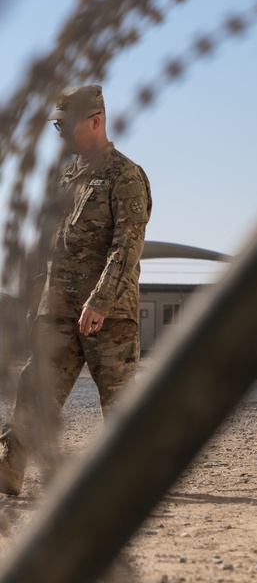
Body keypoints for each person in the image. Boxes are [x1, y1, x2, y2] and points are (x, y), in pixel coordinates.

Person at [0, 84, 152, 496]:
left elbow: (127, 246)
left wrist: (100, 301)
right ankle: (9, 467)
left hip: (109, 315)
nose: (59, 134)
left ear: (95, 121)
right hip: (58, 309)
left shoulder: (127, 176)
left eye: (64, 125)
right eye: (56, 126)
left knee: (118, 401)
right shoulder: (68, 176)